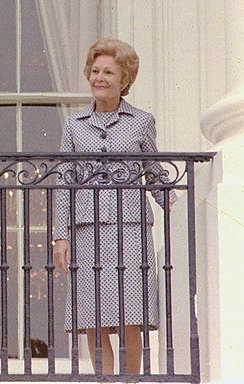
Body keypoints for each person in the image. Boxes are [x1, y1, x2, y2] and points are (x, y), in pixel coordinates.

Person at [53, 38, 175, 375]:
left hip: (130, 230)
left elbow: (153, 174)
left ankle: (130, 383)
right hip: (86, 231)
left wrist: (178, 207)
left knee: (130, 317)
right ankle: (106, 383)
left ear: (124, 80)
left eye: (108, 72)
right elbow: (65, 179)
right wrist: (59, 236)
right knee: (92, 319)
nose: (99, 78)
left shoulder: (140, 121)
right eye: (95, 71)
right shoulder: (74, 125)